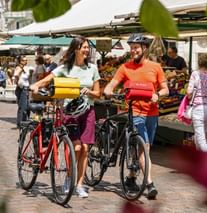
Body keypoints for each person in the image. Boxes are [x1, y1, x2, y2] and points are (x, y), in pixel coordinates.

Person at [30, 36, 101, 198]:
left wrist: (89, 92)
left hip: (87, 110)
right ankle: (69, 177)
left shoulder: (92, 68)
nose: (86, 50)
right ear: (75, 49)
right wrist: (36, 85)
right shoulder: (65, 68)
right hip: (69, 111)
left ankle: (80, 184)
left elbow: (98, 93)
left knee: (85, 148)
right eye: (83, 47)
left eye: (87, 47)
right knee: (76, 147)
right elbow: (48, 79)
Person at [104, 33, 169, 200]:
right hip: (136, 112)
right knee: (144, 147)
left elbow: (165, 89)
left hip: (152, 113)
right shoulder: (125, 67)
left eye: (136, 48)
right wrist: (108, 90)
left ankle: (131, 176)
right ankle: (149, 184)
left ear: (144, 49)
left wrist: (158, 95)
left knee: (143, 147)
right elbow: (112, 84)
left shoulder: (156, 67)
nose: (133, 51)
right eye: (131, 48)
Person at [187, 54, 207, 152]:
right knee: (201, 134)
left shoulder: (195, 74)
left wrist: (189, 96)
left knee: (201, 139)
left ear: (199, 63)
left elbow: (189, 92)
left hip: (199, 108)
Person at [13, 55, 30, 129]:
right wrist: (19, 84)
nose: (25, 61)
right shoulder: (19, 68)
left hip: (25, 89)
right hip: (22, 89)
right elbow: (16, 75)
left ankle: (22, 123)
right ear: (20, 61)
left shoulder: (24, 68)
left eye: (26, 60)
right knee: (23, 107)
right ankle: (21, 124)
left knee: (24, 107)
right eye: (23, 60)